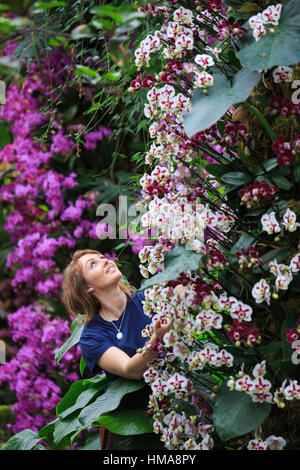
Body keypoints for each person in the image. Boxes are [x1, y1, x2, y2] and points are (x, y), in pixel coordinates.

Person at [61, 248, 172, 450]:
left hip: (182, 407)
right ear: (86, 288)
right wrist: (158, 338)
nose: (105, 261)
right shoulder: (91, 337)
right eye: (93, 264)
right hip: (137, 437)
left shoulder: (149, 298)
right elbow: (132, 370)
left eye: (102, 257)